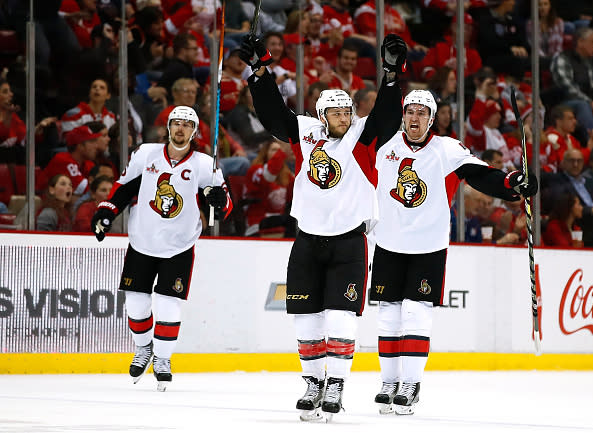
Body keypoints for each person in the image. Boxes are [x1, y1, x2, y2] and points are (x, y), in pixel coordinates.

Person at [239, 32, 407, 421]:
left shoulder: (362, 137)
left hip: (349, 242)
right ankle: (313, 382)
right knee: (306, 316)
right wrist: (260, 70)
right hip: (307, 240)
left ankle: (337, 385)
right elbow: (273, 116)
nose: (344, 119)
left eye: (348, 112)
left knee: (339, 316)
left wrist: (393, 75)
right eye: (336, 114)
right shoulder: (305, 132)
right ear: (320, 116)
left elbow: (386, 114)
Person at [371, 89, 538, 415]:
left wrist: (512, 183)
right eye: (410, 111)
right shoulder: (384, 146)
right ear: (402, 115)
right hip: (388, 243)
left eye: (422, 112)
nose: (415, 117)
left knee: (416, 312)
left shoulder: (446, 148)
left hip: (428, 246)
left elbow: (480, 173)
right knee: (388, 314)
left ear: (431, 119)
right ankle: (389, 382)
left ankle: (411, 383)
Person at [90, 105, 233, 391]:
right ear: (168, 127)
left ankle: (163, 359)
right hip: (142, 240)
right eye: (176, 123)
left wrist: (218, 199)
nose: (181, 128)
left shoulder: (206, 164)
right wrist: (105, 212)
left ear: (194, 132)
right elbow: (124, 188)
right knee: (135, 303)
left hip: (178, 245)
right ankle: (144, 348)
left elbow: (225, 208)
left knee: (169, 305)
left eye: (187, 125)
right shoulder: (146, 154)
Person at [243, 140, 295, 236]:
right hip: (257, 225)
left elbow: (296, 195)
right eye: (274, 150)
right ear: (265, 153)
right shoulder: (256, 170)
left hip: (280, 222)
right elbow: (268, 176)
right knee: (290, 222)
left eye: (279, 150)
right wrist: (283, 151)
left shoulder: (286, 175)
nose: (278, 153)